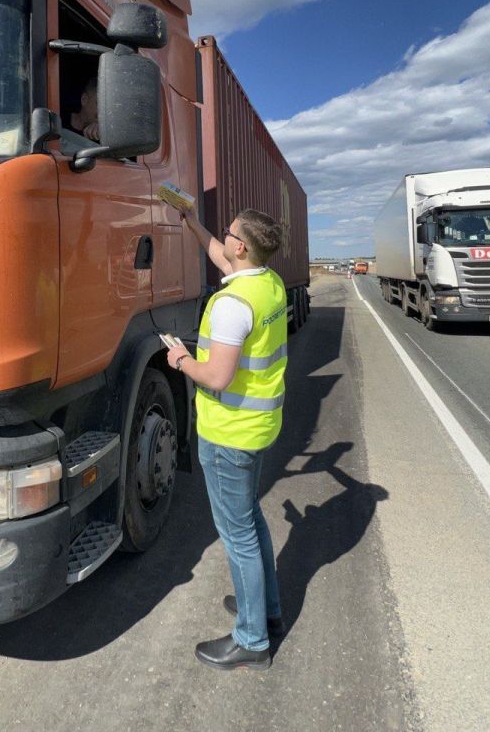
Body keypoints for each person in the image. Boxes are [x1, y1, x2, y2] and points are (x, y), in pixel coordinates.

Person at [165, 207, 288, 671]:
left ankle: (252, 639)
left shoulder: (232, 305)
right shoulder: (268, 283)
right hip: (257, 429)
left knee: (237, 536)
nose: (224, 237)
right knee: (251, 521)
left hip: (228, 434)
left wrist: (180, 359)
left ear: (241, 246)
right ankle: (266, 610)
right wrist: (192, 220)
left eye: (229, 233)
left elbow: (216, 376)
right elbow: (219, 255)